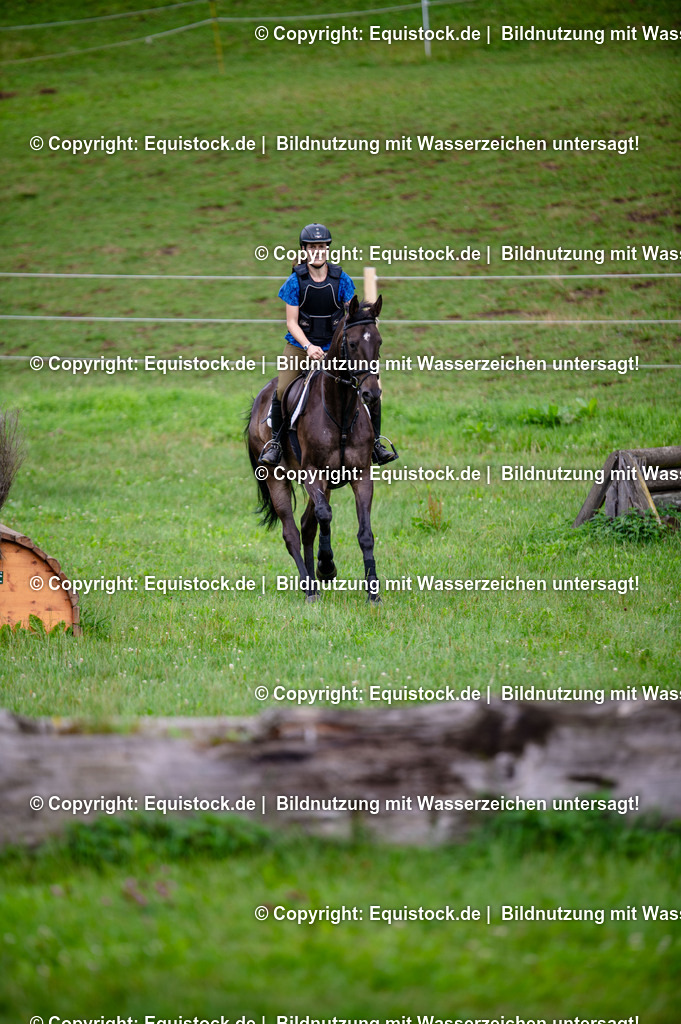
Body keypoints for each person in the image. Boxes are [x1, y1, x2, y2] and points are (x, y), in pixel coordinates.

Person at [258, 222, 398, 466]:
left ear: (327, 249)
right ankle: (276, 445)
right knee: (281, 390)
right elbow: (292, 323)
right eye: (312, 247)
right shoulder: (294, 282)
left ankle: (376, 443)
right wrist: (309, 347)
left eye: (322, 246)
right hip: (300, 346)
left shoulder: (341, 280)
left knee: (370, 388)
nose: (317, 251)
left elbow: (351, 315)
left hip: (336, 349)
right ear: (304, 250)